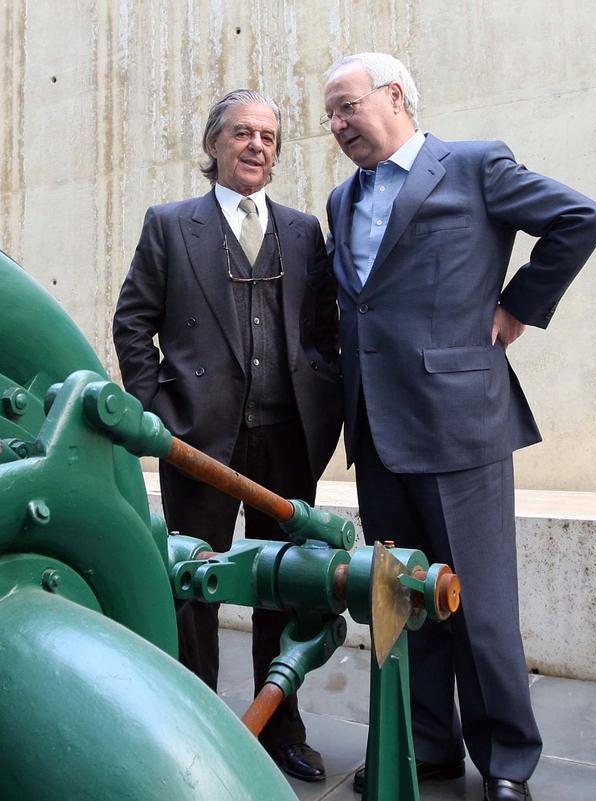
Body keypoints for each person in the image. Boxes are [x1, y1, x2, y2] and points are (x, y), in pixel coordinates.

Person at [320, 53, 596, 801]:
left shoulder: (475, 166)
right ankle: (429, 746)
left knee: (477, 604)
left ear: (394, 96)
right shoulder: (339, 200)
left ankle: (508, 762)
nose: (338, 124)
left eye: (347, 106)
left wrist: (518, 306)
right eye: (330, 114)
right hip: (376, 429)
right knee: (404, 599)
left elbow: (582, 219)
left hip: (459, 425)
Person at [112, 89, 343, 782]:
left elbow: (324, 330)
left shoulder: (303, 231)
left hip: (286, 437)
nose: (257, 147)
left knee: (289, 583)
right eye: (242, 133)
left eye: (269, 137)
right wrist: (159, 414)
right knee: (194, 585)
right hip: (199, 439)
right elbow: (134, 322)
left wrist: (321, 399)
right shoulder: (169, 224)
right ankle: (196, 728)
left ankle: (281, 728)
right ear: (213, 145)